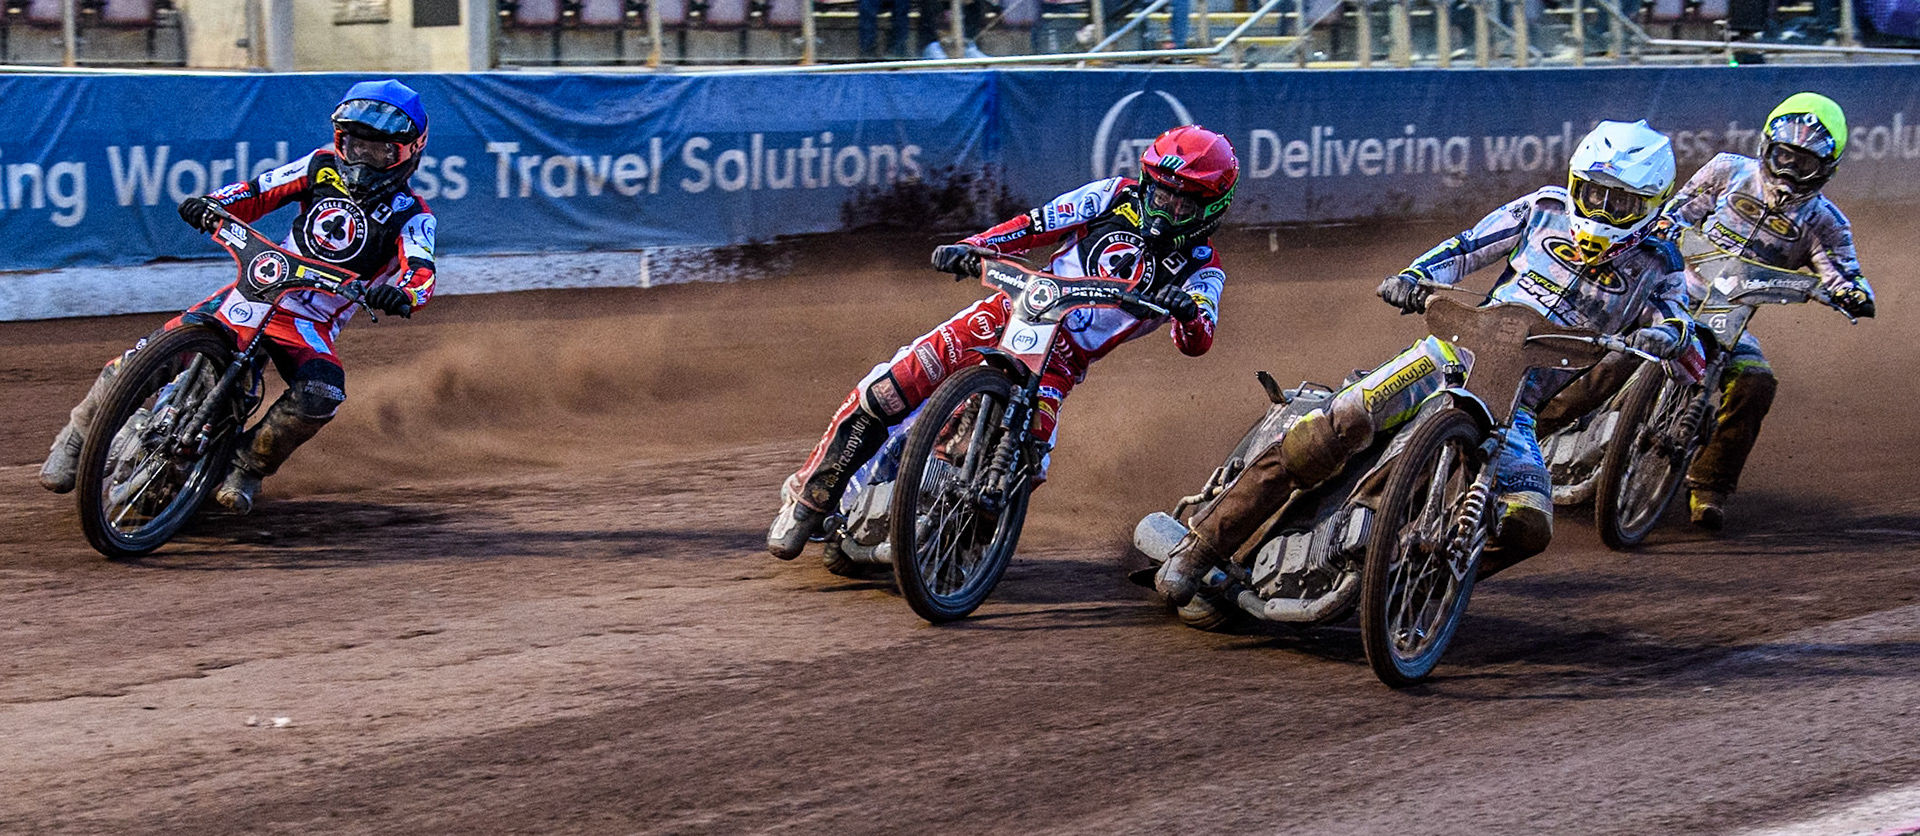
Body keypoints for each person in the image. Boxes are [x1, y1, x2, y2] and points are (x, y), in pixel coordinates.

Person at [1156, 120, 1698, 605]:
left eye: (1620, 203)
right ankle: (1200, 548)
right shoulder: (1543, 210)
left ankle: (1418, 584)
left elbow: (1679, 320)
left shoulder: (1661, 262)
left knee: (1529, 524)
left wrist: (1662, 337)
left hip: (1519, 410)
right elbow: (1465, 248)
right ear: (1576, 184)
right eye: (1593, 193)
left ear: (1652, 205)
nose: (1602, 210)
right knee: (1332, 427)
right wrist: (1414, 278)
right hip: (1450, 354)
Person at [768, 125, 1238, 560]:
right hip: (1010, 311)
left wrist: (1187, 310)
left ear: (1211, 208)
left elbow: (1197, 340)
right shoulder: (1112, 195)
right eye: (1160, 193)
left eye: (1183, 204)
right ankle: (810, 500)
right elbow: (1036, 224)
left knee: (1025, 463)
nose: (1166, 209)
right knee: (890, 388)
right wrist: (975, 247)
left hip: (1060, 362)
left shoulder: (1204, 269)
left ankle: (949, 543)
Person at [38, 79, 435, 514]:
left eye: (380, 150)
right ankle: (77, 438)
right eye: (355, 144)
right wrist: (212, 203)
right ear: (340, 140)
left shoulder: (413, 214)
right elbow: (257, 191)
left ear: (410, 151)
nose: (363, 158)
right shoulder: (319, 166)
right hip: (258, 286)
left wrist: (402, 295)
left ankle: (245, 467)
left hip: (309, 321)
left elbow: (421, 269)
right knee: (145, 356)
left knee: (322, 392)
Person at [1660, 92, 1875, 531]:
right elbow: (1677, 212)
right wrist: (1665, 228)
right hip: (1669, 296)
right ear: (1765, 147)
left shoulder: (1825, 222)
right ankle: (1544, 423)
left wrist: (1853, 293)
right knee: (1607, 336)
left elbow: (1843, 272)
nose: (1790, 171)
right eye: (1783, 156)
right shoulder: (1726, 170)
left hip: (1728, 322)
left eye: (1805, 164)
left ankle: (1709, 486)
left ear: (1826, 170)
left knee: (1756, 382)